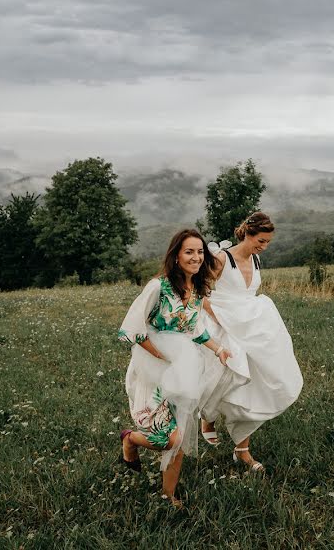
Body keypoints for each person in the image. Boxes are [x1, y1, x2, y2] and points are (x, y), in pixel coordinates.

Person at [118, 229, 232, 507]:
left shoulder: (198, 291)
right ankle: (130, 440)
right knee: (166, 438)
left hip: (184, 368)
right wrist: (161, 356)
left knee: (178, 435)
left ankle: (168, 495)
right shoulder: (158, 287)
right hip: (152, 368)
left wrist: (218, 349)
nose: (196, 257)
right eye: (189, 251)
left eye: (200, 251)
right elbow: (130, 330)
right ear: (176, 256)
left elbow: (194, 330)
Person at [199, 212, 303, 472]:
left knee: (252, 385)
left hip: (252, 328)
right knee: (223, 379)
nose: (264, 247)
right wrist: (217, 317)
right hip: (223, 325)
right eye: (261, 241)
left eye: (268, 242)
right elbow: (198, 290)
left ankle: (242, 450)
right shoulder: (222, 258)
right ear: (248, 233)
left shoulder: (256, 259)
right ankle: (207, 416)